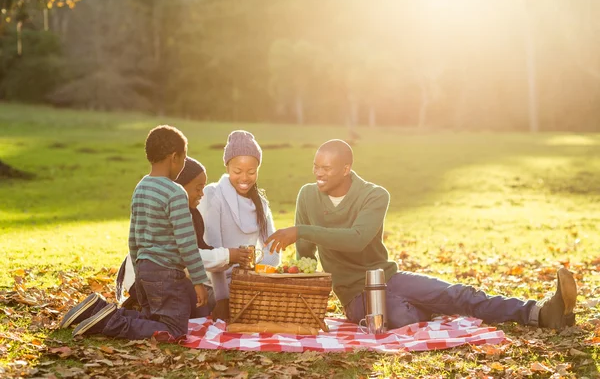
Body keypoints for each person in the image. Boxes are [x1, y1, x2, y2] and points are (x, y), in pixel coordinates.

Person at [267, 139, 577, 330]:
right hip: (354, 295)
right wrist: (299, 286)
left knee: (459, 294)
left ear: (346, 169)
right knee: (404, 314)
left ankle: (540, 313)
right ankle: (427, 307)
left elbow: (357, 238)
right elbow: (305, 253)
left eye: (326, 168)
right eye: (316, 167)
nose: (318, 173)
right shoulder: (307, 196)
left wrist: (300, 229)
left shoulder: (374, 195)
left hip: (387, 277)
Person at [59, 125, 210, 339]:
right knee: (175, 330)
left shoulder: (141, 187)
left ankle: (95, 310)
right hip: (167, 273)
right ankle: (108, 322)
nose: (183, 164)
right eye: (184, 159)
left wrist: (140, 272)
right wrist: (198, 281)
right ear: (174, 157)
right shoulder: (175, 193)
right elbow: (186, 242)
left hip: (145, 267)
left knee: (153, 319)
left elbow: (134, 236)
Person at [114, 156, 253, 317]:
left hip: (169, 275)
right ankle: (130, 313)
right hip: (149, 276)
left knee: (203, 306)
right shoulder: (173, 213)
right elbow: (186, 254)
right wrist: (229, 255)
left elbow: (198, 251)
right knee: (191, 311)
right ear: (180, 188)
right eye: (198, 188)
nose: (202, 194)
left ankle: (149, 310)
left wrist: (230, 260)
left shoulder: (192, 214)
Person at [199, 130, 281, 321]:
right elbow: (214, 251)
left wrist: (255, 278)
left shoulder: (261, 202)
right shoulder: (213, 195)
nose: (244, 178)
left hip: (247, 283)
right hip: (213, 286)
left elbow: (272, 250)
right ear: (227, 167)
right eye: (238, 171)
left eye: (251, 172)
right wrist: (222, 298)